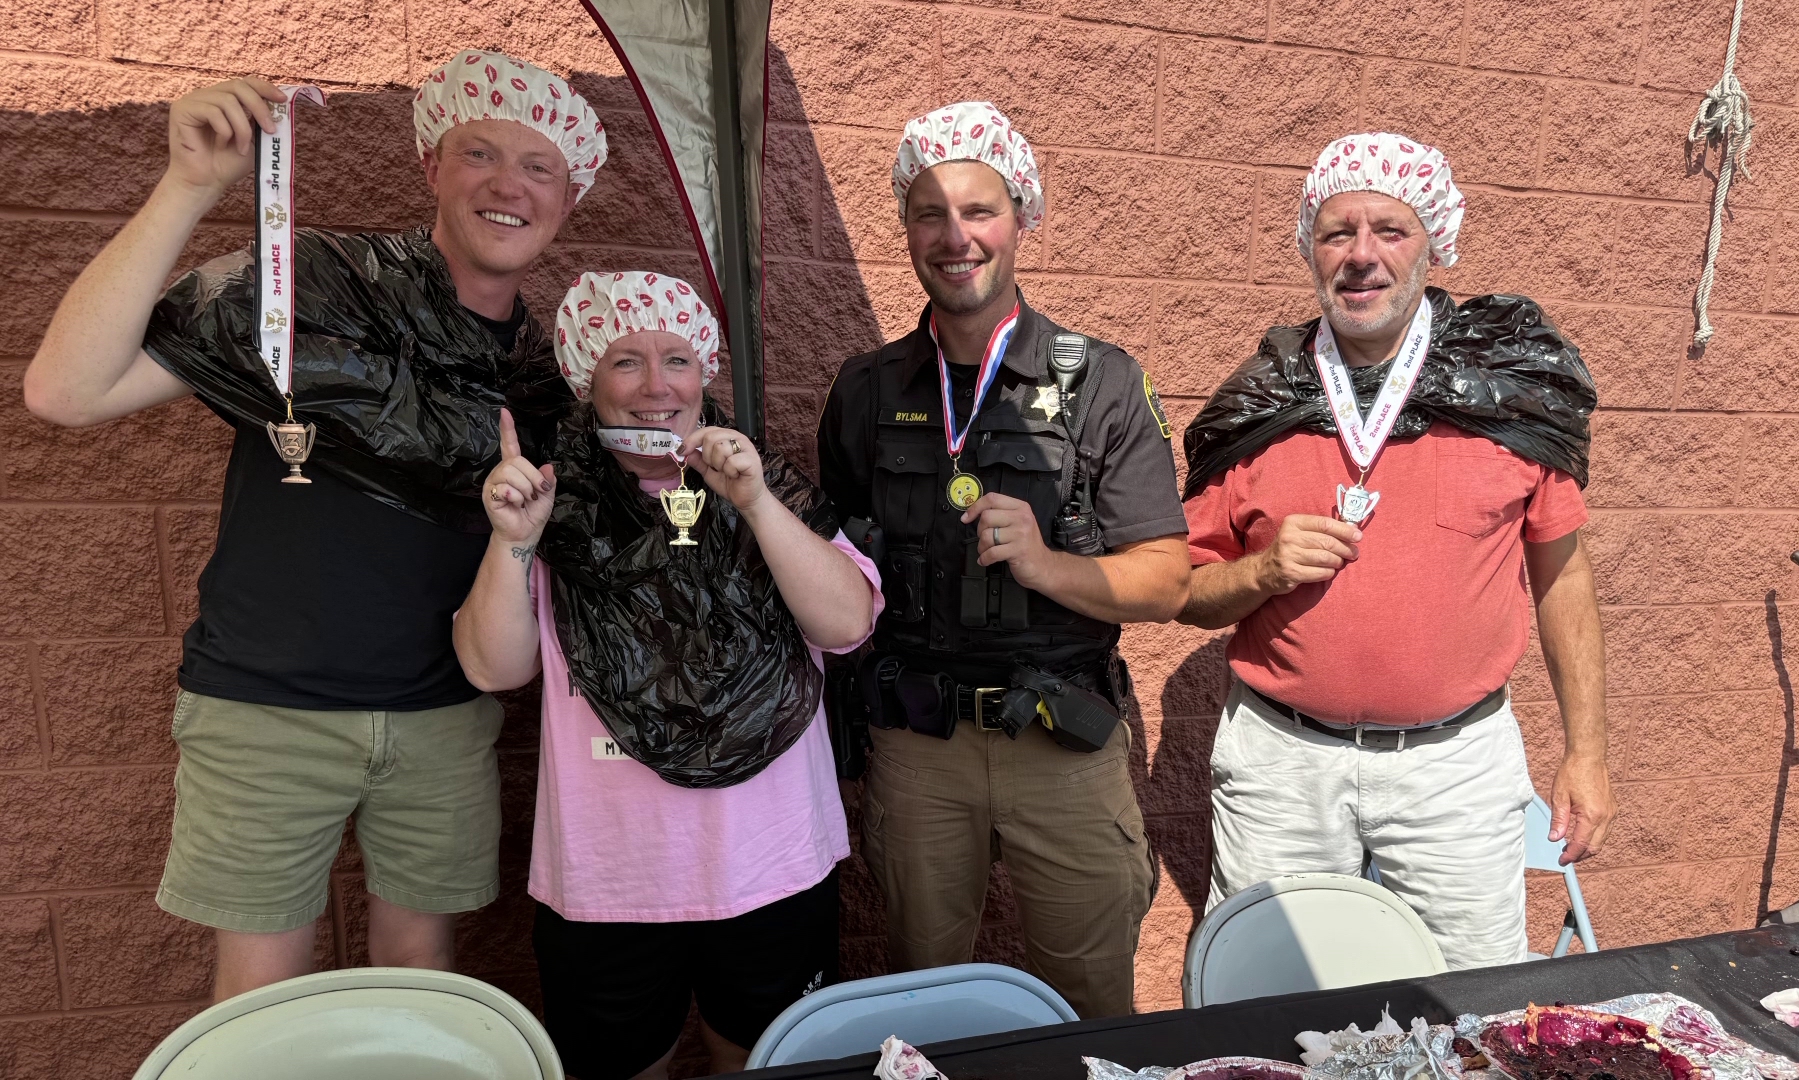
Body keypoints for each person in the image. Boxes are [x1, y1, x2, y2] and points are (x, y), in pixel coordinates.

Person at [22, 50, 605, 1000]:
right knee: (260, 1000)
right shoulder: (312, 290)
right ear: (431, 166)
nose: (509, 184)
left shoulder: (543, 380)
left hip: (442, 719)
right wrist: (187, 186)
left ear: (567, 197)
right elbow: (64, 390)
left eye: (539, 167)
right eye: (480, 153)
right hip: (264, 711)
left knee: (422, 981)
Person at [1178, 132, 1615, 969]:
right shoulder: (1261, 403)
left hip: (1453, 769)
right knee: (1269, 1000)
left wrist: (1587, 753)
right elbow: (1182, 591)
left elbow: (1563, 582)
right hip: (1284, 766)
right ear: (1311, 248)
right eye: (1338, 232)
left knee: (1470, 1002)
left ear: (1434, 244)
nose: (1361, 256)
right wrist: (1262, 572)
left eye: (1390, 230)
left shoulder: (1507, 393)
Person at [453, 270, 881, 1079]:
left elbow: (848, 622)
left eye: (677, 358)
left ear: (705, 372)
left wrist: (754, 503)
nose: (657, 386)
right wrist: (513, 540)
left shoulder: (770, 484)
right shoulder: (552, 502)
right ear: (588, 379)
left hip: (771, 869)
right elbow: (492, 667)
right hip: (608, 883)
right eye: (626, 361)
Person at [817, 101, 1191, 1018]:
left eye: (979, 211)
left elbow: (1169, 577)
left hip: (1059, 741)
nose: (956, 238)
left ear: (1021, 215)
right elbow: (832, 564)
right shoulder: (865, 390)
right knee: (921, 999)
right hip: (917, 748)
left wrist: (1048, 565)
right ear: (906, 228)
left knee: (1092, 998)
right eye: (929, 214)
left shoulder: (1101, 379)